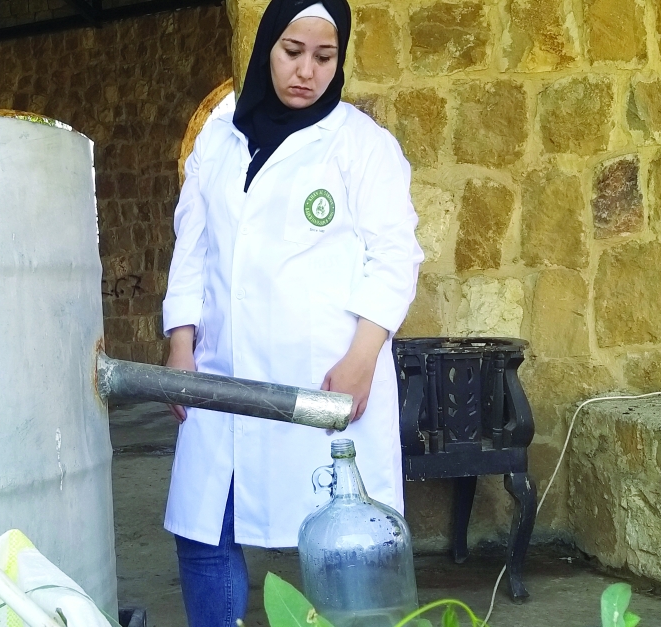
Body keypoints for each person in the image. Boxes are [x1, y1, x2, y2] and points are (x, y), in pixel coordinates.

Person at [160, 0, 425, 624]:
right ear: (266, 49)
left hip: (322, 374)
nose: (307, 71)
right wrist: (180, 342)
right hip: (222, 371)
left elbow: (395, 257)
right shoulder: (220, 133)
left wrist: (362, 360)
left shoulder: (362, 145)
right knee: (202, 533)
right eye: (292, 52)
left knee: (335, 550)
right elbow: (191, 244)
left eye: (325, 58)